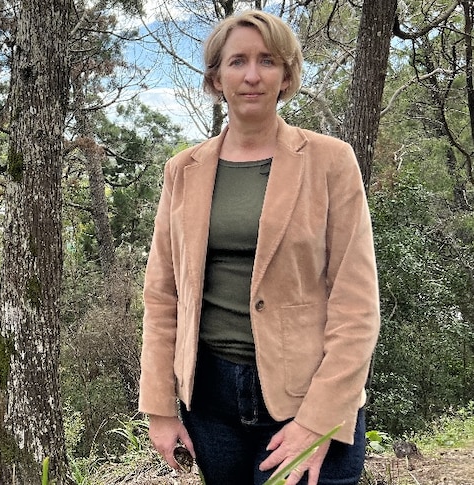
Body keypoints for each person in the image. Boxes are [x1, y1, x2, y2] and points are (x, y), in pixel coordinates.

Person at [138, 10, 380, 485]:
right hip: (210, 401)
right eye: (237, 62)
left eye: (267, 61)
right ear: (215, 78)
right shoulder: (183, 169)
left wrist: (318, 421)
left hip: (307, 396)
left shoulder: (331, 161)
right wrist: (160, 410)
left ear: (286, 75)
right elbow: (162, 296)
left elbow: (356, 303)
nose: (252, 75)